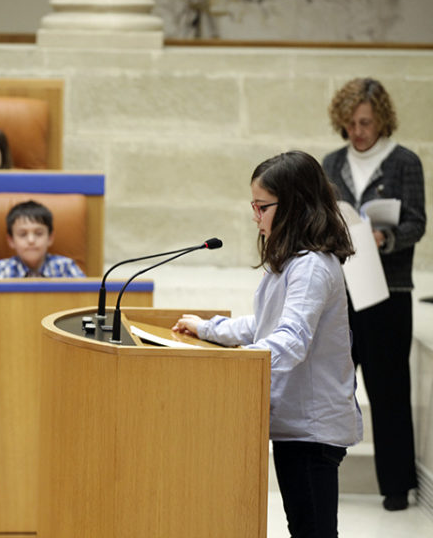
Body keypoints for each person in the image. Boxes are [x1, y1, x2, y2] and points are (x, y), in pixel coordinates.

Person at [172, 151, 361, 537]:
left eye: (262, 207)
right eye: (253, 206)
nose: (255, 216)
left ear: (293, 205)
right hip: (297, 426)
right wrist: (209, 330)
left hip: (312, 430)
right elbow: (266, 325)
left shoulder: (310, 266)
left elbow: (290, 341)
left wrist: (238, 365)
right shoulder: (294, 261)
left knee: (313, 531)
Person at [322, 78, 426, 511]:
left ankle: (396, 487)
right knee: (332, 385)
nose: (358, 131)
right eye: (350, 123)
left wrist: (386, 237)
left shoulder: (403, 162)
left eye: (365, 122)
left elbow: (417, 222)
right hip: (343, 289)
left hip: (388, 290)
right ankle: (324, 473)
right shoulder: (331, 163)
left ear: (382, 118)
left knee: (389, 390)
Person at [0, 200, 85, 278]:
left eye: (38, 233)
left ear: (50, 238)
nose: (31, 240)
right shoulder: (2, 270)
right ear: (11, 241)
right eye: (23, 234)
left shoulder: (66, 267)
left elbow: (87, 299)